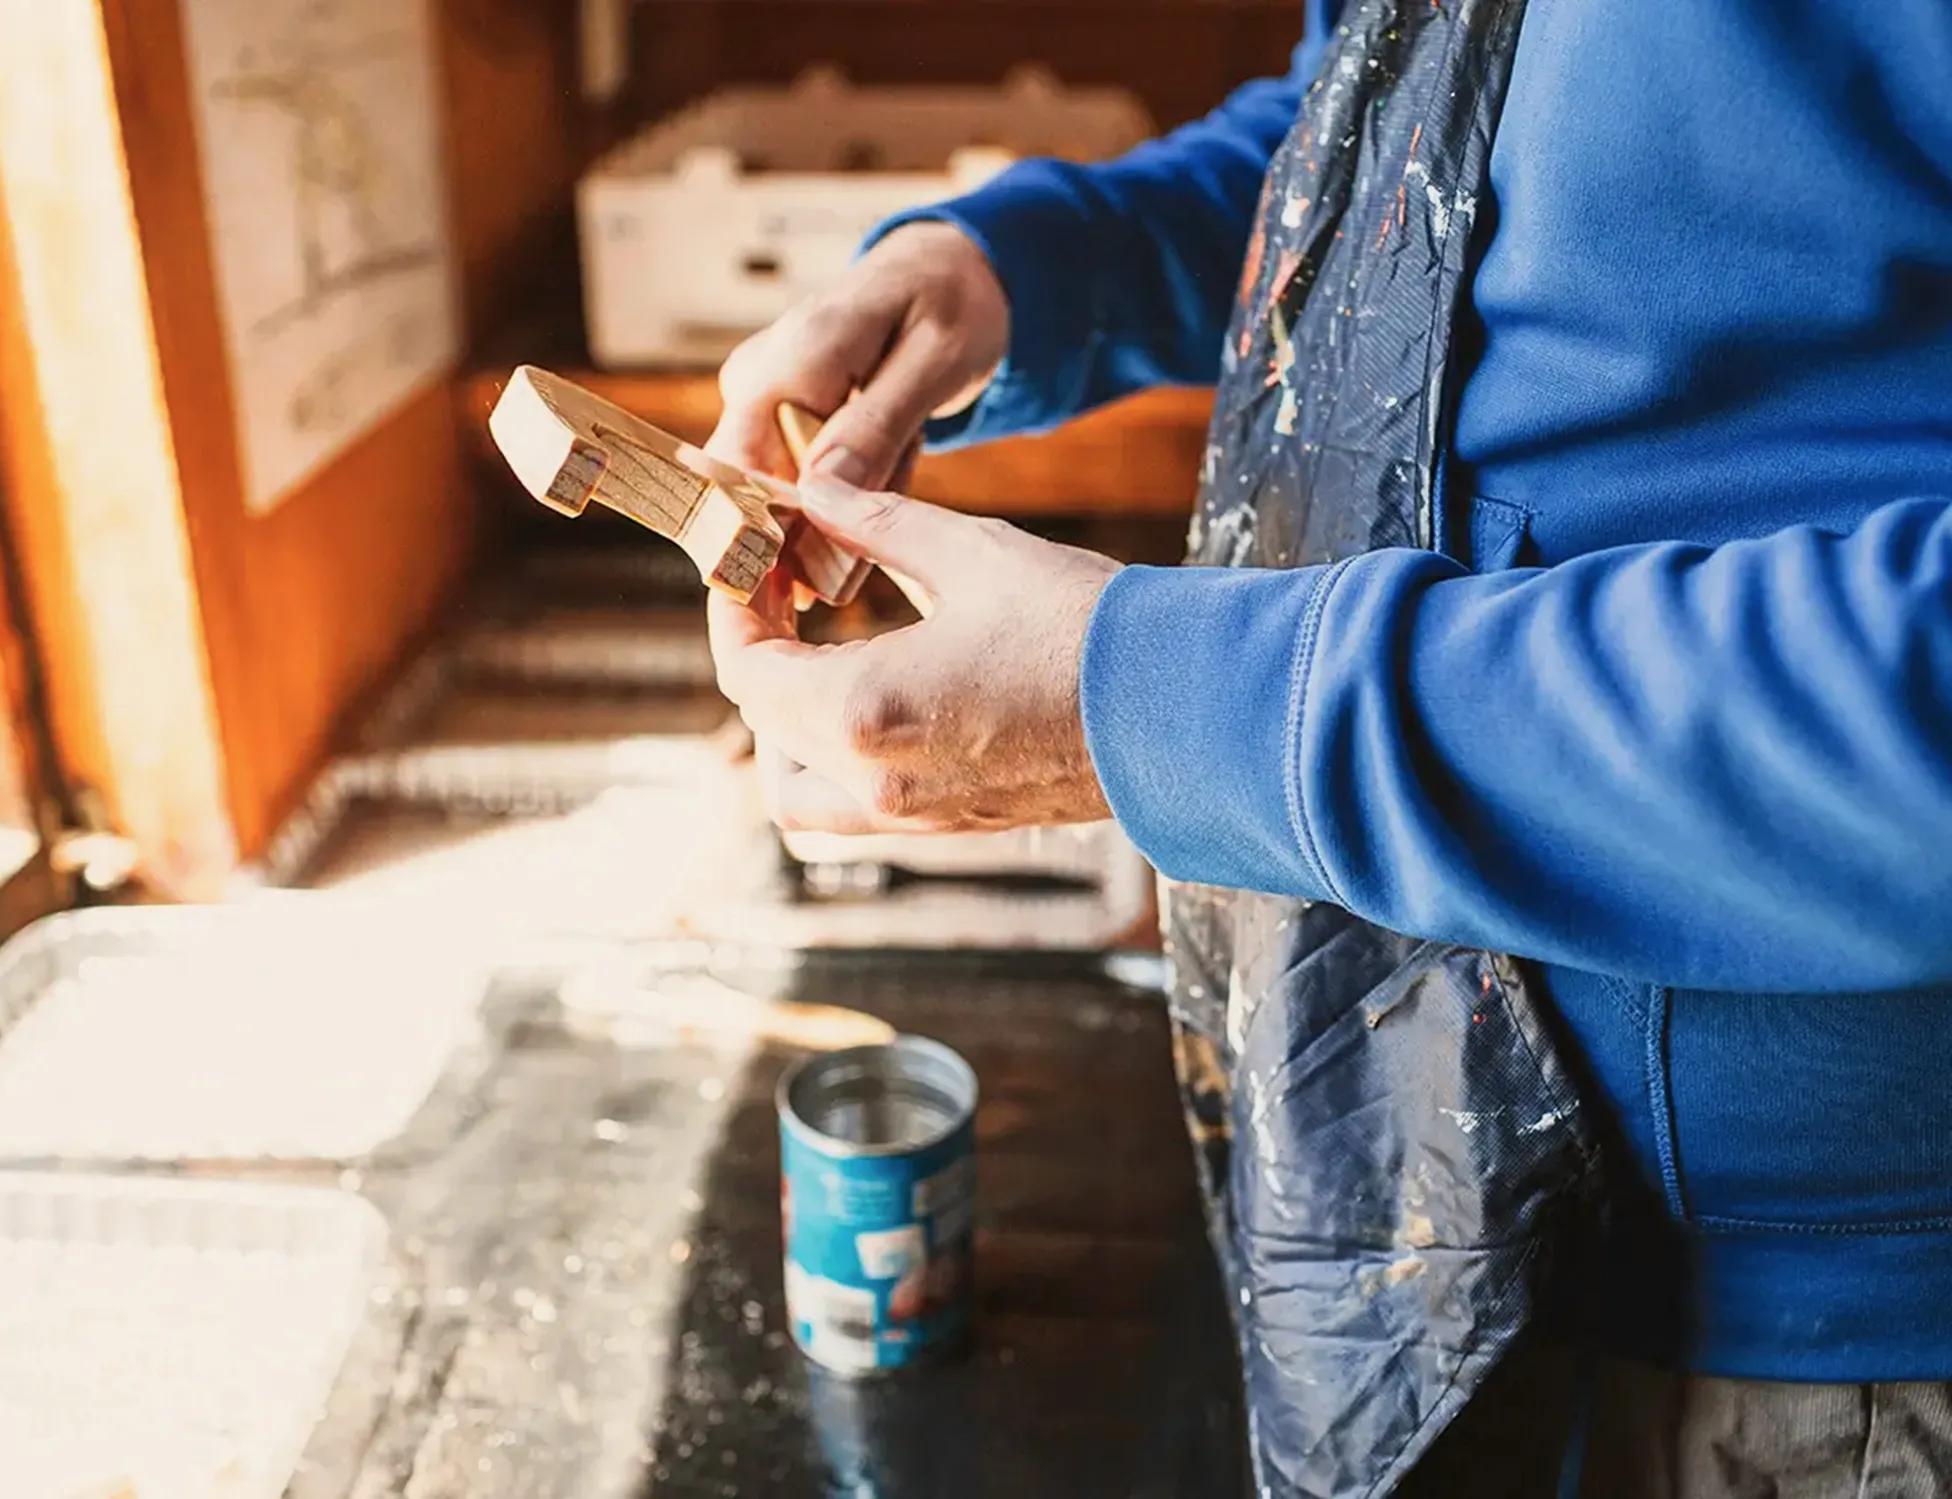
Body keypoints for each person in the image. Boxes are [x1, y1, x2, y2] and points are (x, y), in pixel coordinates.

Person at [704, 1, 1952, 1493]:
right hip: (1432, 1226)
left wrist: (1188, 712)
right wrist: (1030, 266)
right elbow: (1412, 127)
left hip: (1824, 1366)